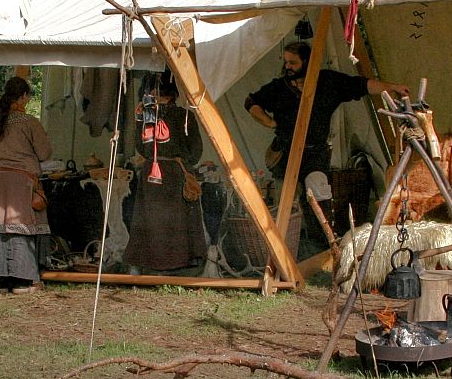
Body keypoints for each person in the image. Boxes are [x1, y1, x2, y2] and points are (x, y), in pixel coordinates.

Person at [244, 41, 409, 231]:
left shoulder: (328, 82)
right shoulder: (278, 88)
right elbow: (251, 101)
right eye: (286, 62)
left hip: (315, 153)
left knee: (319, 192)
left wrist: (392, 87)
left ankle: (323, 239)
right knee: (285, 202)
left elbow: (362, 85)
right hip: (285, 151)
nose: (287, 67)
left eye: (293, 63)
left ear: (307, 62)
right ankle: (285, 243)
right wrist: (268, 121)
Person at [123, 71, 206, 275]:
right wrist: (181, 160)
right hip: (174, 173)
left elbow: (141, 148)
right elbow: (195, 152)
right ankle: (171, 265)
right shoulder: (184, 115)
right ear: (174, 94)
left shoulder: (147, 114)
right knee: (172, 222)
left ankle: (149, 264)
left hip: (153, 174)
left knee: (150, 220)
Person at [0, 77, 52, 294]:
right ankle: (24, 280)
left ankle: (2, 281)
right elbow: (45, 153)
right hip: (21, 182)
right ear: (23, 97)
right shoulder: (29, 122)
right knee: (21, 227)